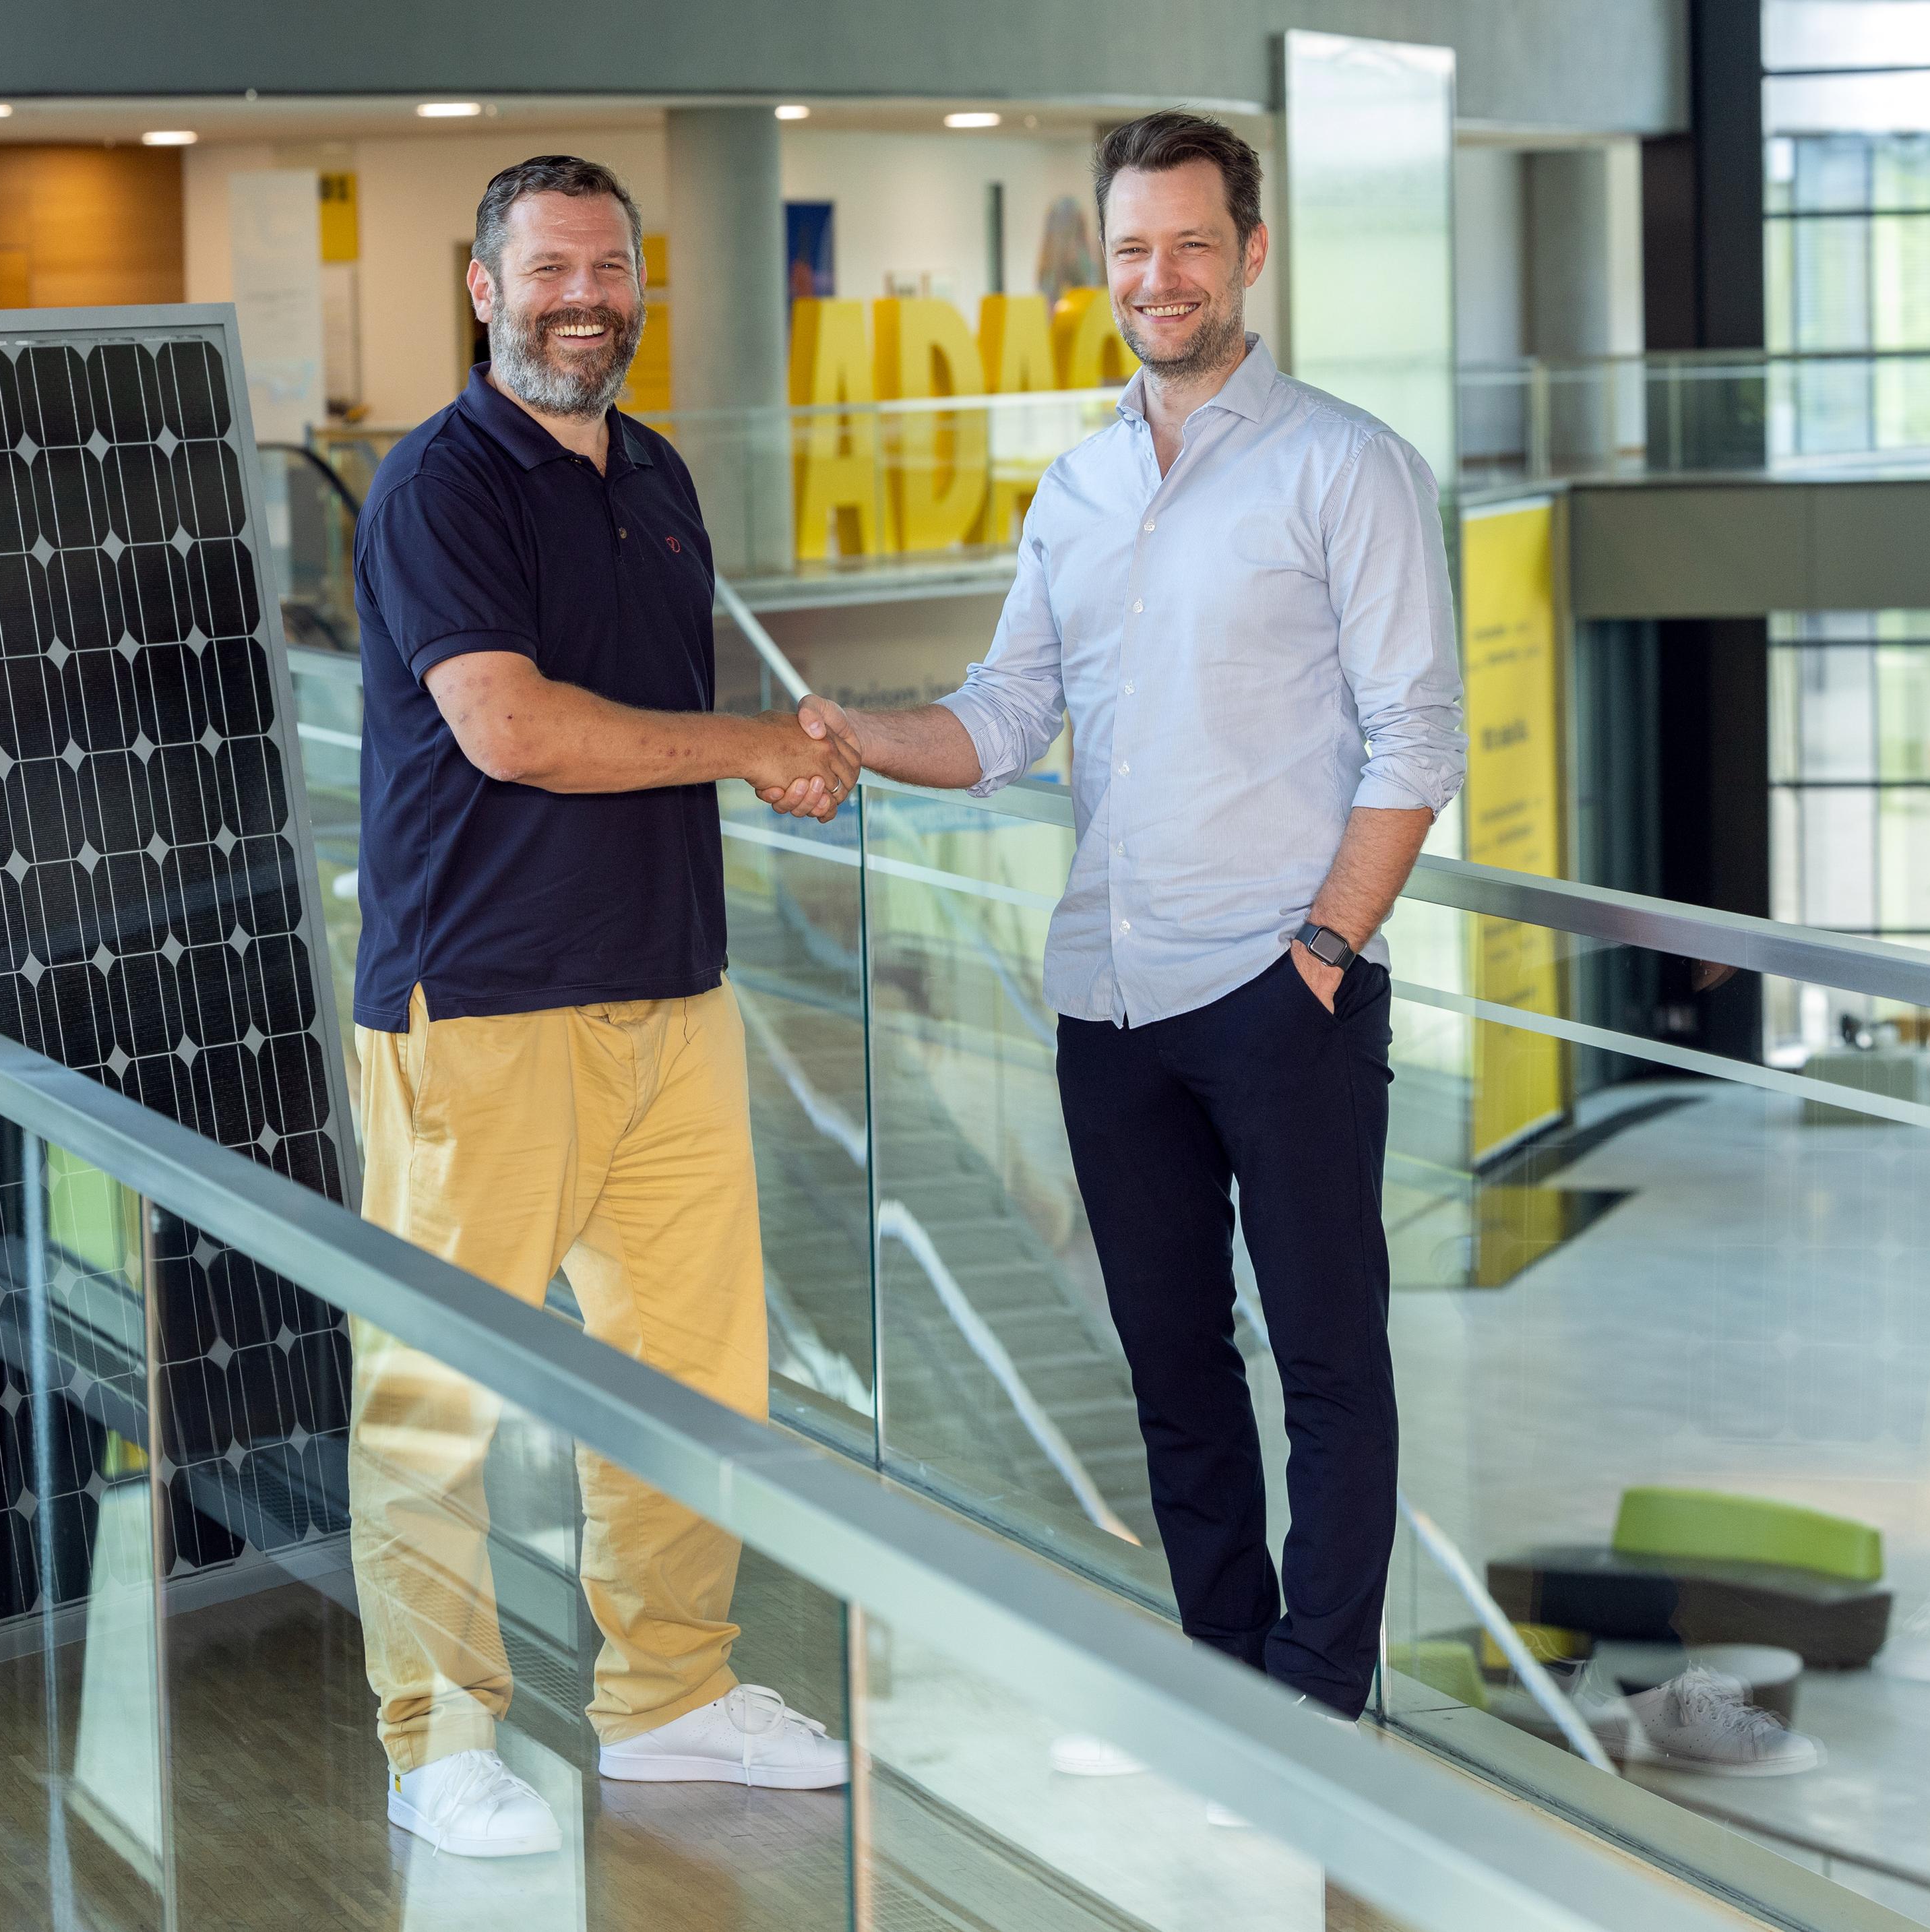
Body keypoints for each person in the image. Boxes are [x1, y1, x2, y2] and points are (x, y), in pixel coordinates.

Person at [788, 111, 1464, 1726]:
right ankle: (1229, 1681)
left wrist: (1322, 952)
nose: (1160, 278)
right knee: (1170, 1365)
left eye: (1191, 244)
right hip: (1107, 1000)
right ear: (1106, 263)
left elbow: (1418, 737)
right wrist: (846, 736)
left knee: (1327, 1367)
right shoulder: (1077, 488)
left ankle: (1321, 1699)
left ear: (1251, 254)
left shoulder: (1347, 467)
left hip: (1279, 989)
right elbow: (1007, 714)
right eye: (1133, 248)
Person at [347, 154, 854, 1861]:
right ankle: (439, 1734)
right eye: (550, 268)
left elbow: (646, 720)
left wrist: (762, 758)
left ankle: (668, 1700)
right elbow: (514, 728)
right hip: (481, 1004)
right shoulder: (441, 486)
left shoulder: (655, 473)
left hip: (670, 997)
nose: (586, 296)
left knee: (694, 1379)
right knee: (437, 1390)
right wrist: (756, 749)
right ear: (483, 287)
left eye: (611, 269)